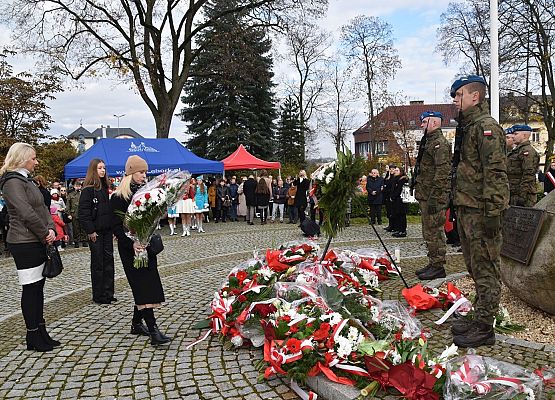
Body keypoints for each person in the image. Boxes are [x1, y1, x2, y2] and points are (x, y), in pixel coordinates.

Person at [450, 75, 509, 348]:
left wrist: (493, 213)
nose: (455, 100)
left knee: (486, 269)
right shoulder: (469, 126)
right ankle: (479, 315)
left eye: (459, 95)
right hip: (467, 208)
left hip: (482, 211)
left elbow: (495, 173)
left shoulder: (486, 128)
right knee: (475, 267)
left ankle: (485, 328)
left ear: (475, 96)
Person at [0, 142, 59, 352]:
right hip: (24, 242)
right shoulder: (12, 182)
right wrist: (45, 233)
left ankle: (41, 330)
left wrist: (51, 228)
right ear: (22, 158)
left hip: (36, 239)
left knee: (38, 288)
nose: (36, 161)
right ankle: (32, 334)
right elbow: (25, 212)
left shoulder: (27, 181)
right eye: (33, 158)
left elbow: (43, 208)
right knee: (31, 288)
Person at [111, 156, 171, 346]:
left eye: (145, 172)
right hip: (130, 248)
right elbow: (116, 226)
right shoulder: (118, 197)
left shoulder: (147, 193)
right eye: (140, 172)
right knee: (141, 286)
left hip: (145, 245)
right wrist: (132, 243)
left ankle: (137, 323)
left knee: (147, 284)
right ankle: (153, 331)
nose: (144, 175)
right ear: (130, 173)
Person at [413, 111, 452, 280]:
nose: (421, 125)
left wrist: (435, 198)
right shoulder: (428, 142)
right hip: (426, 194)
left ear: (434, 123)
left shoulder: (439, 143)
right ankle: (433, 262)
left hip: (433, 196)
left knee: (435, 231)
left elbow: (443, 173)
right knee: (428, 231)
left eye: (424, 122)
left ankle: (438, 266)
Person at [78, 158, 116, 305]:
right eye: (100, 168)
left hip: (107, 230)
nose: (102, 170)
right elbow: (83, 212)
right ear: (94, 170)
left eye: (104, 168)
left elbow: (109, 211)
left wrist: (112, 229)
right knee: (98, 263)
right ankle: (99, 294)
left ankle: (108, 292)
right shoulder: (88, 190)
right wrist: (90, 230)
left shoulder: (105, 188)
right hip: (96, 232)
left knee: (109, 261)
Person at [506, 124, 540, 207]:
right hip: (513, 193)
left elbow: (528, 175)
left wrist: (522, 196)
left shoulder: (527, 152)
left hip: (523, 196)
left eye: (516, 134)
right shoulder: (517, 151)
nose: (513, 137)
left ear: (524, 135)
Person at [67, 180, 87, 248]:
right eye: (76, 186)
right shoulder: (71, 194)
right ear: (74, 187)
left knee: (83, 228)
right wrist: (68, 214)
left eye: (79, 186)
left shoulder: (83, 193)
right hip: (74, 213)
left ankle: (84, 240)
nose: (78, 187)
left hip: (83, 213)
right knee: (76, 228)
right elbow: (68, 205)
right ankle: (76, 241)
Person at [389, 167, 408, 237]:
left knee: (402, 215)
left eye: (397, 170)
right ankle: (398, 229)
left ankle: (402, 231)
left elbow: (399, 190)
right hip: (397, 200)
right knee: (397, 215)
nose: (395, 171)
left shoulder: (402, 179)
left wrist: (393, 197)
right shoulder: (396, 179)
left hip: (401, 200)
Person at [383, 164, 396, 231]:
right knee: (389, 211)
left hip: (392, 197)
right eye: (390, 169)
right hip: (387, 196)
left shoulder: (394, 177)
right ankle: (390, 225)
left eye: (393, 169)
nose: (391, 170)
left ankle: (393, 226)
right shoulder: (388, 176)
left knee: (392, 212)